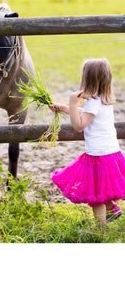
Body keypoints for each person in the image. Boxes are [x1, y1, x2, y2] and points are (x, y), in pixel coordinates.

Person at [49, 58, 125, 226]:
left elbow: (79, 125)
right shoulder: (104, 100)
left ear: (87, 79)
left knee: (97, 194)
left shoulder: (93, 102)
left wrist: (72, 102)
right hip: (111, 153)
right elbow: (87, 114)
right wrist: (65, 108)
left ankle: (101, 229)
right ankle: (111, 209)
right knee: (103, 189)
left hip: (98, 155)